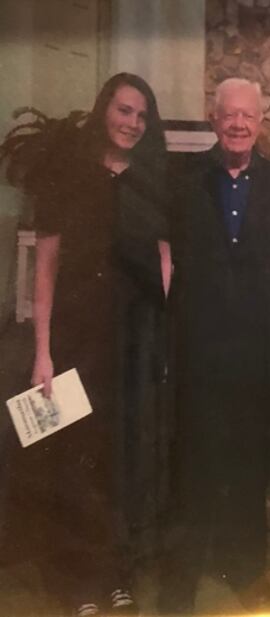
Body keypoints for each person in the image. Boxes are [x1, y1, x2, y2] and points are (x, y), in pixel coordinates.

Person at [157, 77, 270, 614]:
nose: (238, 124)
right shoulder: (183, 178)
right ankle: (180, 577)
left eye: (248, 115)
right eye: (229, 115)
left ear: (260, 122)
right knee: (193, 464)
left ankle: (244, 570)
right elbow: (166, 259)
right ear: (214, 119)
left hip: (258, 353)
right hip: (198, 347)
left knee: (249, 467)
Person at [29, 72, 171, 617]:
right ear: (103, 109)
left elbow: (164, 261)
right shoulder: (64, 172)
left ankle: (118, 575)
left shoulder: (153, 179)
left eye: (141, 115)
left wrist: (161, 338)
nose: (132, 123)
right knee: (75, 458)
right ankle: (82, 583)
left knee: (125, 457)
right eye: (124, 110)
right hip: (74, 337)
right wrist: (43, 351)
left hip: (134, 339)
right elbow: (44, 268)